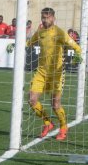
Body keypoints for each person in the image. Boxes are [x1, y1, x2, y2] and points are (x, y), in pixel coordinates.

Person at [28, 7, 82, 141]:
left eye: (47, 17)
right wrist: (15, 44)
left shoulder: (59, 32)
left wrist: (77, 56)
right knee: (32, 100)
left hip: (57, 73)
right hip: (41, 72)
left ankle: (64, 127)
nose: (45, 20)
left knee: (55, 104)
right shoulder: (40, 31)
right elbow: (29, 42)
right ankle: (47, 123)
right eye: (43, 17)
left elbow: (76, 47)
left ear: (53, 18)